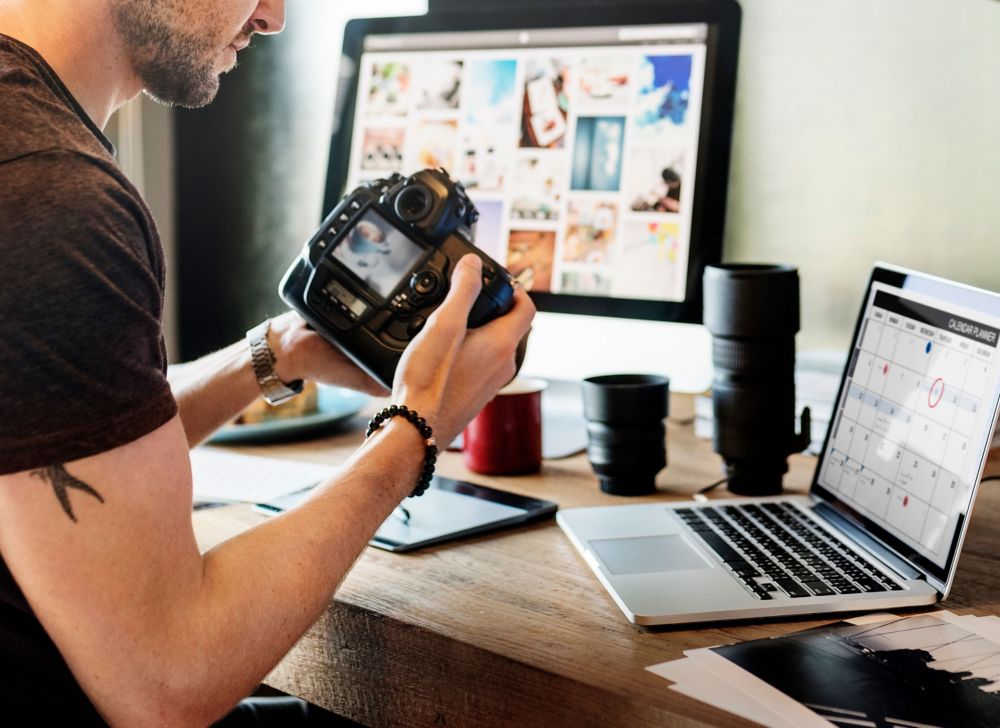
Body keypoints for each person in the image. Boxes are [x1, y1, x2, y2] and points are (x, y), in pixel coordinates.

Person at [0, 1, 535, 724]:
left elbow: (67, 439)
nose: (275, 16)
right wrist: (416, 426)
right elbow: (168, 680)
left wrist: (279, 354)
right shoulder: (52, 193)